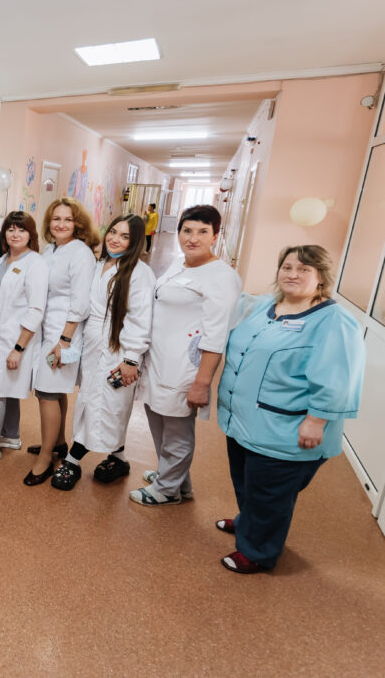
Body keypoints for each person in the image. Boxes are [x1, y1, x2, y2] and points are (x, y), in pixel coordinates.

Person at [216, 245, 364, 574]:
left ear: (321, 277)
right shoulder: (266, 305)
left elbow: (338, 378)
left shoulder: (334, 321)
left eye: (303, 269)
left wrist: (316, 420)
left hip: (285, 429)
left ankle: (257, 552)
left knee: (270, 494)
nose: (292, 274)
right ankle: (249, 522)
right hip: (244, 421)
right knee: (247, 481)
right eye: (287, 267)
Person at [130, 205, 241, 505]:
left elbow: (217, 336)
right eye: (187, 230)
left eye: (203, 232)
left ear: (215, 236)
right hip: (158, 361)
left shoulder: (222, 277)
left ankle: (167, 491)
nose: (193, 238)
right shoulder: (180, 263)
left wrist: (202, 383)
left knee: (177, 430)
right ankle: (176, 479)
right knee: (158, 422)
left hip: (185, 368)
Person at [52, 214, 154, 490]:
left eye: (125, 236)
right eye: (113, 232)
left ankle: (72, 460)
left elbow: (140, 319)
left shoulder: (139, 273)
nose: (115, 239)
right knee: (93, 401)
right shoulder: (101, 264)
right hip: (94, 347)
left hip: (120, 352)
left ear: (135, 242)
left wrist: (131, 359)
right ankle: (119, 458)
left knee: (107, 406)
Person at [24, 198, 98, 485]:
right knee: (54, 390)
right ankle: (58, 443)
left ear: (77, 223)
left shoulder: (80, 253)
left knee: (47, 391)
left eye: (68, 219)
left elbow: (81, 302)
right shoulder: (51, 249)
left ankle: (45, 458)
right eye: (56, 218)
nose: (61, 224)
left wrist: (65, 340)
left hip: (65, 331)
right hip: (48, 328)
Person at [0, 212, 47, 471]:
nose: (15, 234)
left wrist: (18, 348)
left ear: (31, 234)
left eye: (22, 230)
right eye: (11, 229)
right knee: (8, 389)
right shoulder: (3, 259)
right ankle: (11, 435)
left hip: (14, 340)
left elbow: (36, 310)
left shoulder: (35, 264)